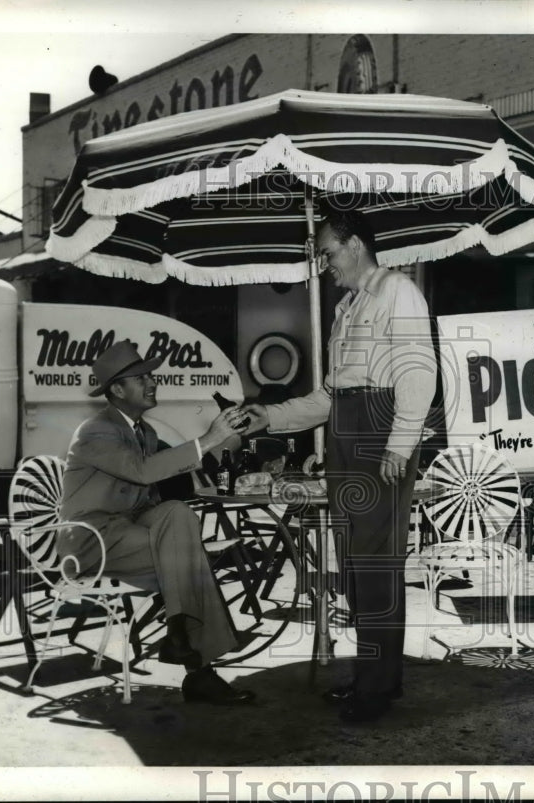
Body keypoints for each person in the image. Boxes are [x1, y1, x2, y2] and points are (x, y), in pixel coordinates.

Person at [244, 208, 437, 724]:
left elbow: (419, 372)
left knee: (376, 565)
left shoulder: (398, 291)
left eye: (327, 252)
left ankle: (376, 690)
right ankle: (371, 677)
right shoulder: (346, 308)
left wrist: (399, 444)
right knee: (353, 565)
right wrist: (271, 416)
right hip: (347, 428)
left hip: (380, 427)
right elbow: (330, 396)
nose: (323, 264)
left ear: (355, 245)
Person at [60, 340, 253, 706]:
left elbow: (170, 476)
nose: (153, 382)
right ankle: (197, 666)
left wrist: (226, 440)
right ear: (117, 389)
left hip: (128, 532)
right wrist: (208, 437)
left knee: (179, 514)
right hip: (91, 540)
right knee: (188, 560)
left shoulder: (144, 432)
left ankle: (180, 633)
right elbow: (143, 472)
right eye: (142, 377)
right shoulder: (96, 430)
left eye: (151, 375)